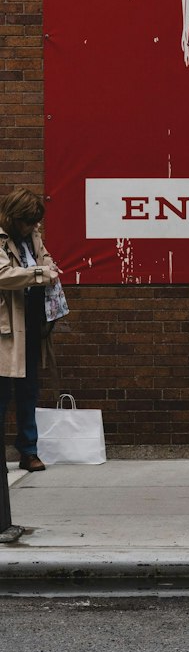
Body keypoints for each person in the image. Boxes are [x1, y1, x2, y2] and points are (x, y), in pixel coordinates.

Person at [0, 189, 60, 473]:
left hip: (31, 322)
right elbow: (2, 275)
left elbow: (44, 257)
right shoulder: (1, 237)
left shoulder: (32, 236)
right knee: (2, 394)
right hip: (7, 326)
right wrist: (40, 274)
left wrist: (49, 266)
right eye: (30, 221)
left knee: (29, 390)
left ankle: (28, 451)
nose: (35, 227)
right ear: (14, 218)